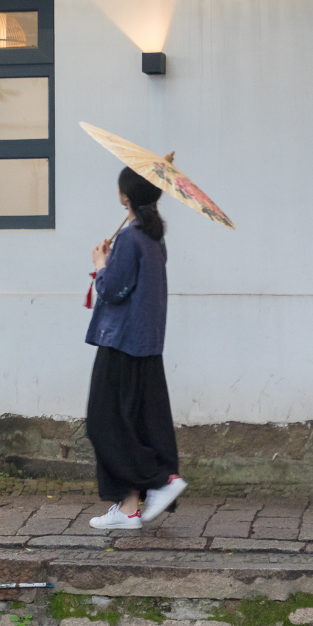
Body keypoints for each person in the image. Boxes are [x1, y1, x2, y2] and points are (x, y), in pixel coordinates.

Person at [85, 167, 188, 530]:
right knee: (133, 422)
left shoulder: (132, 238)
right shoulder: (152, 236)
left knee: (103, 422)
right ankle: (128, 507)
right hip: (144, 343)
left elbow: (112, 290)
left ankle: (161, 480)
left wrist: (101, 266)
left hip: (122, 342)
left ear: (125, 196)